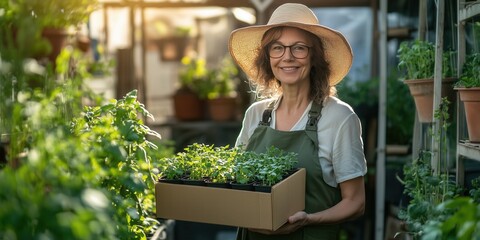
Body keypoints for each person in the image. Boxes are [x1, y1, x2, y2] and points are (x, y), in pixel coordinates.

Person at [229, 3, 367, 240]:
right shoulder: (256, 114)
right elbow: (235, 184)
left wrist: (309, 219)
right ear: (267, 57)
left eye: (299, 48)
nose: (287, 57)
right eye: (277, 48)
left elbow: (355, 202)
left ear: (315, 57)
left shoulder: (339, 118)